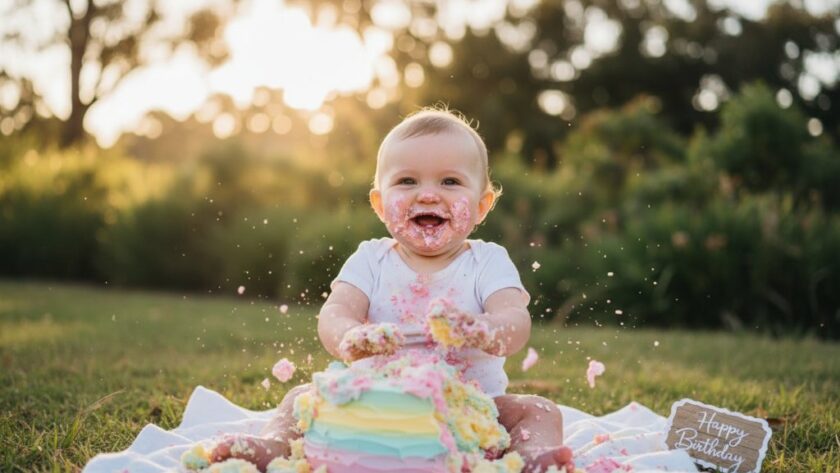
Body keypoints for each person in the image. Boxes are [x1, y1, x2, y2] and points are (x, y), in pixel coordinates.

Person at [211, 107, 573, 472]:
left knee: (539, 410)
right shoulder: (371, 259)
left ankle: (532, 457)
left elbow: (515, 320)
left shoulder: (488, 261)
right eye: (407, 181)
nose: (427, 195)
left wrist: (482, 329)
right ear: (380, 205)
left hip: (470, 410)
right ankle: (276, 445)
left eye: (450, 181)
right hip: (371, 403)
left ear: (482, 206)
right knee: (299, 398)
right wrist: (351, 336)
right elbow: (336, 313)